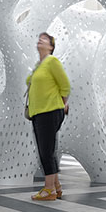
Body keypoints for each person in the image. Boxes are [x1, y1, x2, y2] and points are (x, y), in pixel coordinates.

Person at [26, 32, 69, 201]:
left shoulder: (52, 61)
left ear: (51, 46)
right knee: (47, 150)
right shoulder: (40, 65)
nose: (40, 40)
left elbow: (65, 85)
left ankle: (49, 189)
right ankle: (56, 187)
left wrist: (63, 104)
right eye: (39, 38)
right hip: (38, 112)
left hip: (49, 111)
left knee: (46, 151)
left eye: (44, 39)